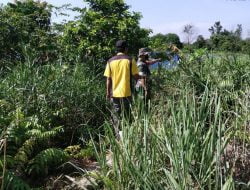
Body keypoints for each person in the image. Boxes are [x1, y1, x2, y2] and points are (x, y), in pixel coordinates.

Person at [104, 40, 139, 136]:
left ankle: (118, 136)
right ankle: (129, 136)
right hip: (127, 93)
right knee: (127, 116)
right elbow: (136, 76)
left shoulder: (110, 61)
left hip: (114, 94)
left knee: (116, 116)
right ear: (126, 49)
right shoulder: (130, 60)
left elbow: (108, 79)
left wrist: (108, 93)